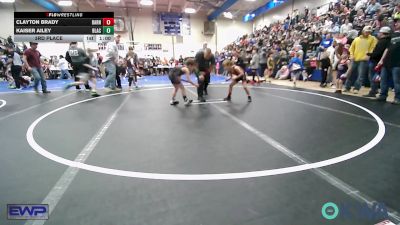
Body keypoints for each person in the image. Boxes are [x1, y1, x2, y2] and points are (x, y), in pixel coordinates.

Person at [344, 26, 377, 94]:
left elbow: (373, 47)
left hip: (364, 60)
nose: (367, 33)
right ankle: (347, 87)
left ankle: (356, 88)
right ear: (363, 31)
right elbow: (351, 48)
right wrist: (351, 55)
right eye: (366, 31)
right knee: (350, 73)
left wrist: (368, 55)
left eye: (369, 32)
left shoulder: (372, 39)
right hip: (355, 59)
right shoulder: (357, 39)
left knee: (360, 75)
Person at [363, 26, 392, 97]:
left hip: (376, 61)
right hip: (382, 62)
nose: (378, 34)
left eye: (379, 32)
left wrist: (369, 54)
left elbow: (378, 53)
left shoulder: (382, 42)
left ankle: (373, 91)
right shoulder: (389, 41)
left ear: (382, 33)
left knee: (373, 77)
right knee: (379, 78)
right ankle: (377, 91)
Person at [376, 18, 400, 104]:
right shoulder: (392, 35)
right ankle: (383, 95)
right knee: (383, 80)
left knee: (397, 82)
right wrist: (381, 60)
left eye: (398, 22)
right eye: (396, 22)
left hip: (397, 63)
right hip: (386, 62)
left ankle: (398, 98)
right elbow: (387, 49)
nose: (396, 24)